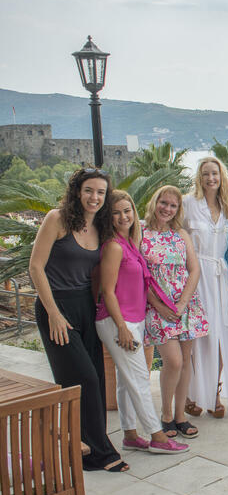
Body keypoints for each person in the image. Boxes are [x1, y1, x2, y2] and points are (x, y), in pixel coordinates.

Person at [28, 167, 127, 472]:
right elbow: (35, 267)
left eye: (100, 192)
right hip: (56, 307)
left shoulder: (100, 226)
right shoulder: (57, 219)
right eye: (89, 190)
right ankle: (100, 453)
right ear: (77, 191)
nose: (94, 197)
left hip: (85, 305)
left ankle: (87, 447)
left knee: (95, 376)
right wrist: (53, 314)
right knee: (83, 378)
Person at [96, 190, 188, 454]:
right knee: (138, 380)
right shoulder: (114, 246)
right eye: (116, 212)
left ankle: (130, 435)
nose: (123, 217)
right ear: (108, 216)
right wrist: (122, 327)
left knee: (126, 382)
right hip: (119, 321)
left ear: (134, 212)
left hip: (133, 318)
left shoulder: (130, 242)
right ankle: (158, 437)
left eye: (127, 211)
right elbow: (107, 291)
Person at [183, 156, 228, 418]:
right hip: (195, 275)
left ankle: (214, 392)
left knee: (221, 334)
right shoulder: (188, 203)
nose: (211, 178)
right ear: (199, 178)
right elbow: (174, 234)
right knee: (197, 335)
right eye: (206, 174)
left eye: (215, 173)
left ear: (221, 177)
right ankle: (190, 394)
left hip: (219, 276)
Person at [141, 185, 210, 440]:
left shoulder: (180, 234)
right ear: (155, 202)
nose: (167, 209)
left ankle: (180, 416)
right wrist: (160, 306)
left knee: (185, 360)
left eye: (173, 205)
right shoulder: (141, 233)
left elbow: (194, 270)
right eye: (164, 203)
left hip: (186, 305)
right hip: (156, 307)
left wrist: (182, 304)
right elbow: (140, 275)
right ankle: (166, 413)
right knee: (174, 361)